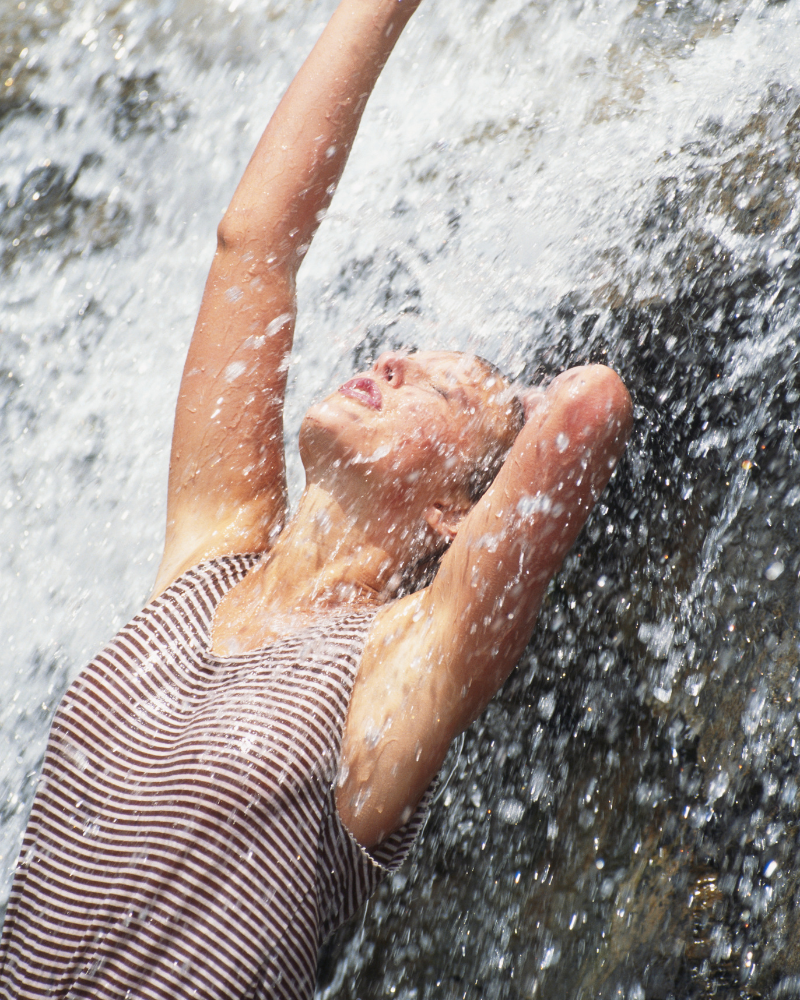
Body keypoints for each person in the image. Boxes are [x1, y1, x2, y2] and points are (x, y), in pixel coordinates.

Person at [0, 0, 632, 997]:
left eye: (442, 382)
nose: (390, 358)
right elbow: (255, 247)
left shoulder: (393, 671)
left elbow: (590, 406)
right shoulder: (210, 554)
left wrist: (509, 412)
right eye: (401, 351)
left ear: (456, 516)